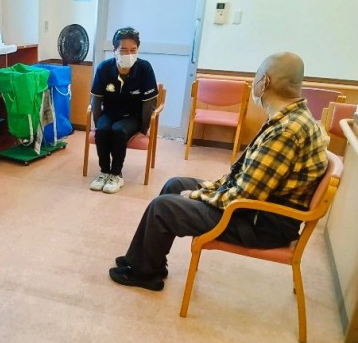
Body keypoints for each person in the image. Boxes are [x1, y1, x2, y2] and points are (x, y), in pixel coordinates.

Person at [109, 52, 329, 291]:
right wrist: (208, 190)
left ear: (265, 82)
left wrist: (199, 195)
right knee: (175, 185)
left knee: (163, 207)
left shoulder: (286, 132)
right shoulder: (293, 118)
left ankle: (145, 274)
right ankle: (147, 262)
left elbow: (243, 196)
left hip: (260, 224)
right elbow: (245, 177)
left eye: (256, 75)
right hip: (258, 211)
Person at [89, 27, 158, 194]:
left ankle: (116, 174)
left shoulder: (145, 68)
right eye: (123, 50)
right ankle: (104, 172)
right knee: (103, 130)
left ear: (138, 50)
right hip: (110, 112)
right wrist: (98, 123)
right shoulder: (104, 68)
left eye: (133, 50)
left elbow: (149, 103)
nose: (128, 54)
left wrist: (144, 129)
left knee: (118, 131)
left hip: (133, 116)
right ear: (114, 50)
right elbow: (96, 100)